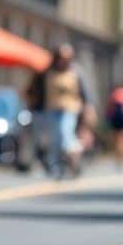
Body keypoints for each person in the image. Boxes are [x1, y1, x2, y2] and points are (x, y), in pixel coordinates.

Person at [43, 44, 88, 178]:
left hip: (70, 109)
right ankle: (56, 167)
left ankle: (75, 159)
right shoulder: (48, 73)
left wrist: (87, 109)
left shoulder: (75, 73)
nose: (64, 60)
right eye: (62, 57)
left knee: (65, 134)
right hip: (52, 109)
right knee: (55, 140)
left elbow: (84, 93)